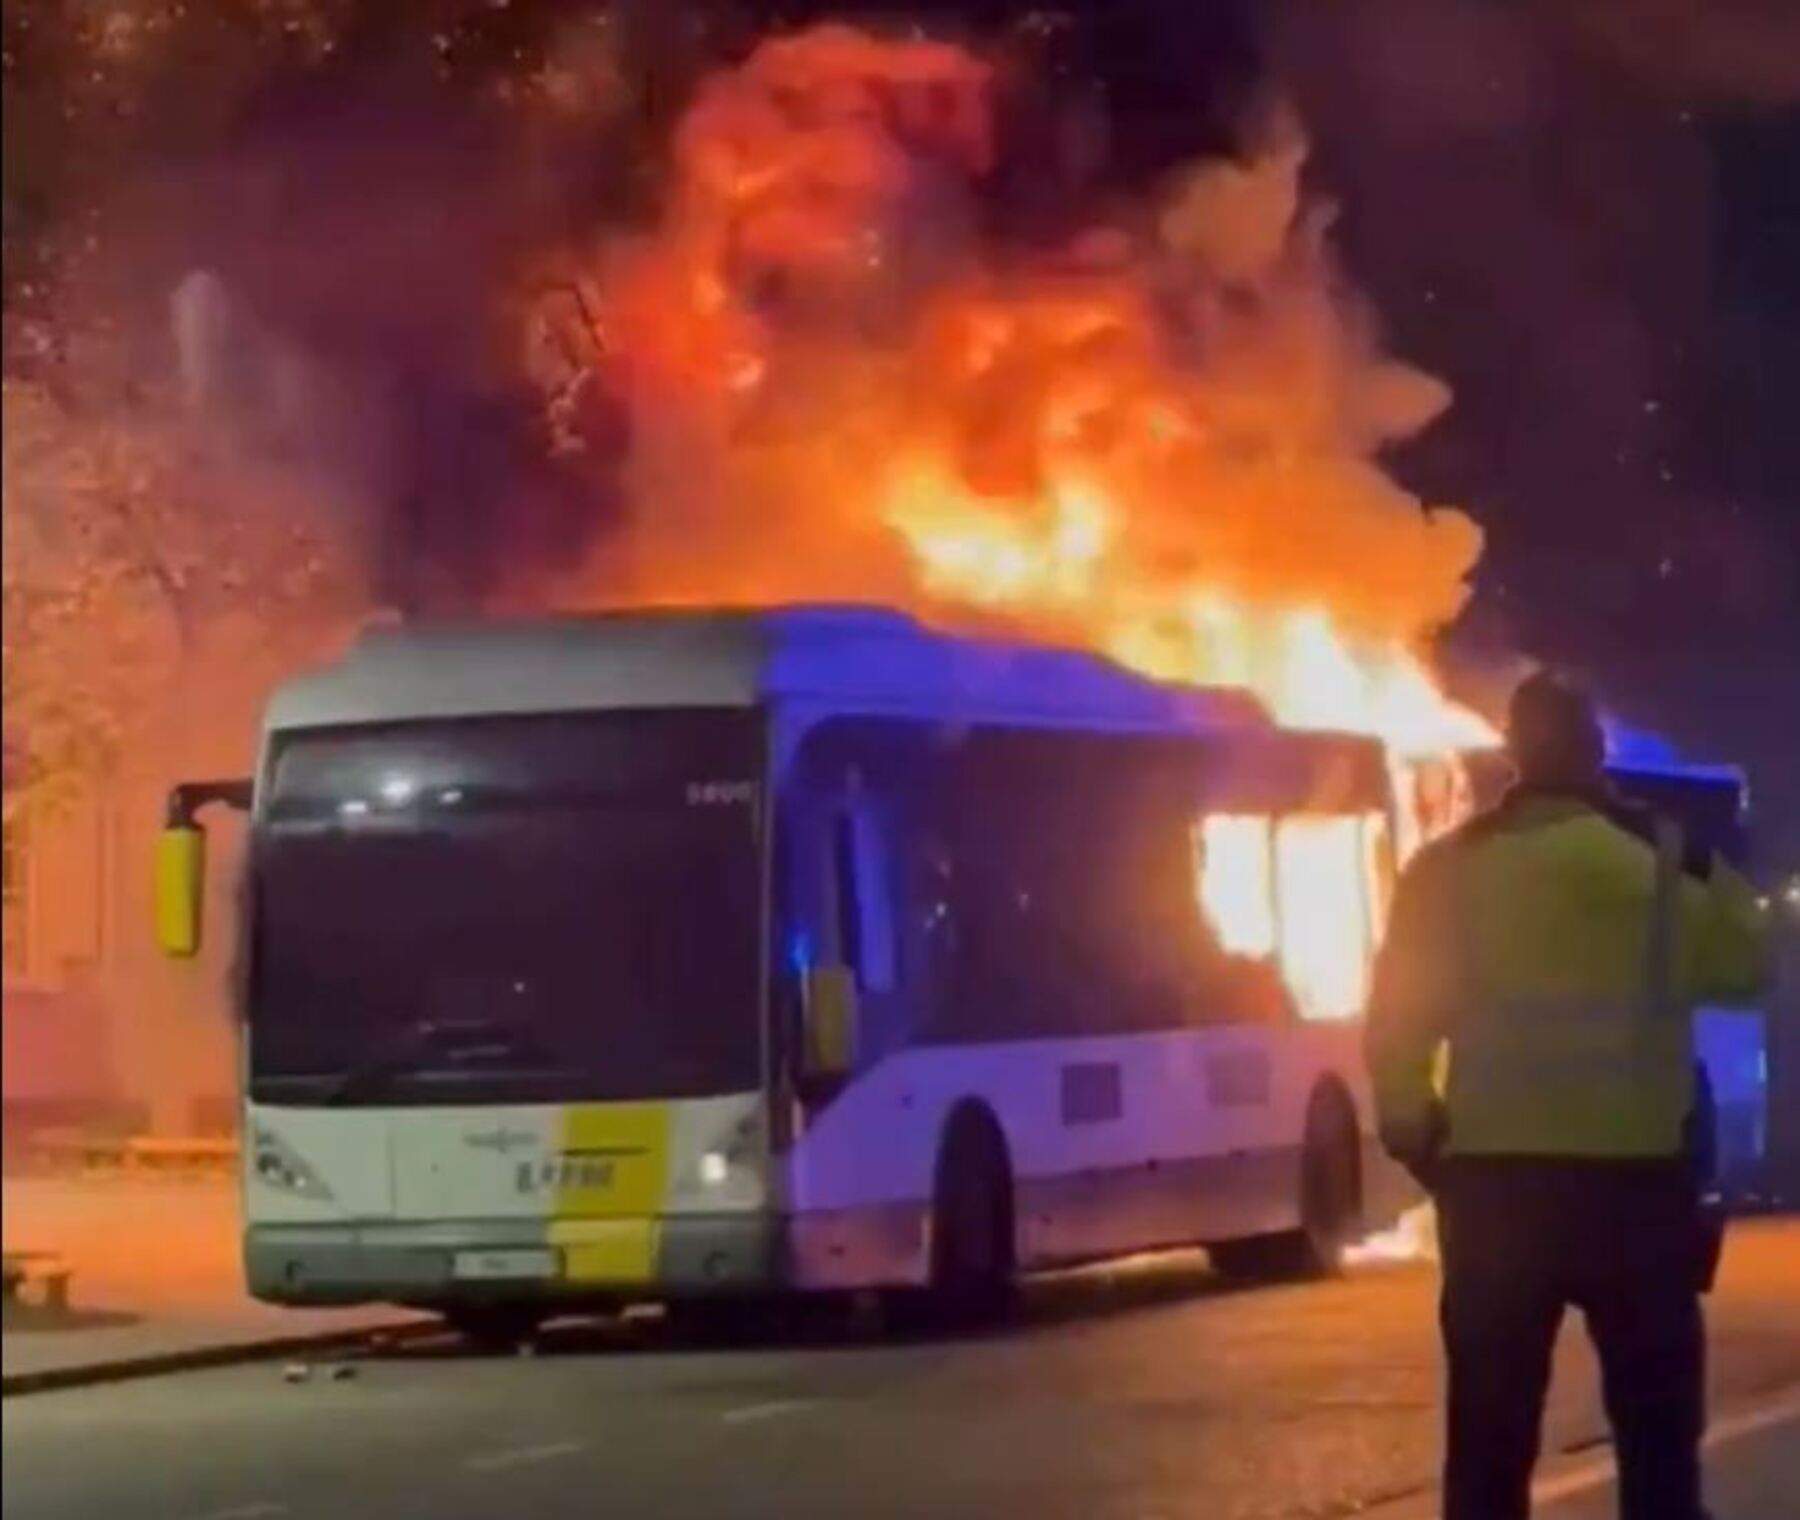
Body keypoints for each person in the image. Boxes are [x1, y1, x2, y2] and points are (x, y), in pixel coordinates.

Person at [1365, 672, 1769, 1520]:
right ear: (1596, 757)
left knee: (1489, 1441)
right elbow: (1749, 965)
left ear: (1511, 756)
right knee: (1657, 1441)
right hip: (1637, 1196)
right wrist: (1701, 854)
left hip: (1495, 1194)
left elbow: (1398, 1021)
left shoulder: (1444, 871)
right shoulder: (1656, 869)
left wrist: (1416, 1134)